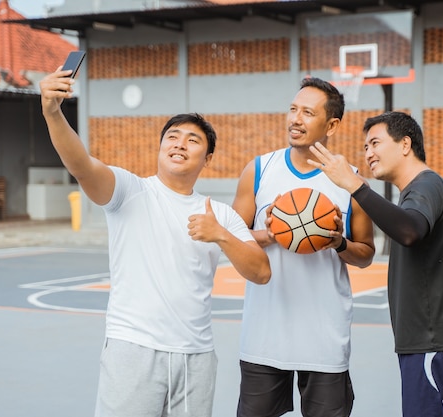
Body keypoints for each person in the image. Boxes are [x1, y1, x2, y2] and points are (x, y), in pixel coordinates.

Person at [39, 67, 271, 417]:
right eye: (173, 136)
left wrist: (220, 235)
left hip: (196, 355)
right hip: (134, 349)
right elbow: (82, 165)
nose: (180, 143)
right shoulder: (130, 191)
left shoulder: (219, 214)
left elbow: (261, 272)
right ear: (161, 146)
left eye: (193, 140)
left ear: (207, 159)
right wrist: (52, 112)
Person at [308, 111, 443, 417]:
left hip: (435, 345)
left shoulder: (425, 186)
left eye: (375, 142)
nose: (368, 153)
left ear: (405, 144)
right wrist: (341, 243)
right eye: (365, 147)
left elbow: (409, 231)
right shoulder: (416, 192)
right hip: (435, 344)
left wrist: (356, 186)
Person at [232, 77, 375, 417]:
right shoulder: (260, 169)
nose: (295, 119)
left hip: (324, 338)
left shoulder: (350, 180)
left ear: (332, 124)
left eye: (307, 112)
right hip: (264, 335)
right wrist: (269, 234)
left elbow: (366, 254)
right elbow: (231, 234)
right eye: (293, 109)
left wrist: (338, 243)